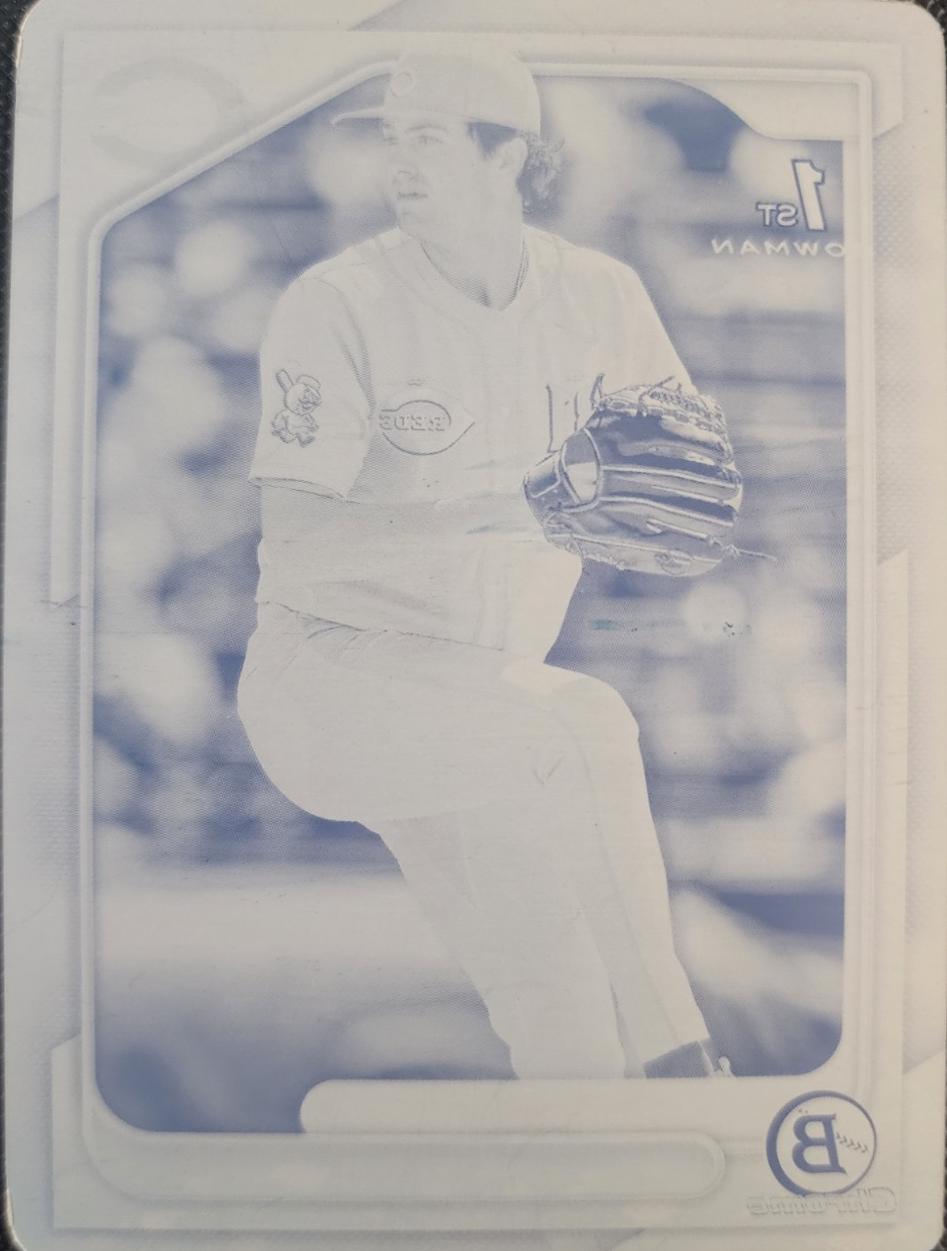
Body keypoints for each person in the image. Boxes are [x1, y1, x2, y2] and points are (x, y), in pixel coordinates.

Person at [238, 47, 728, 1082]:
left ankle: (602, 1155)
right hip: (329, 681)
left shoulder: (601, 296)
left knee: (559, 1011)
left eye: (425, 136)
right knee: (587, 723)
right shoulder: (337, 303)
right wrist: (509, 505)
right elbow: (296, 538)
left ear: (508, 155)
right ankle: (683, 1056)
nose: (396, 161)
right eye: (388, 136)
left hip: (482, 705)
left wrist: (661, 512)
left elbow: (686, 501)